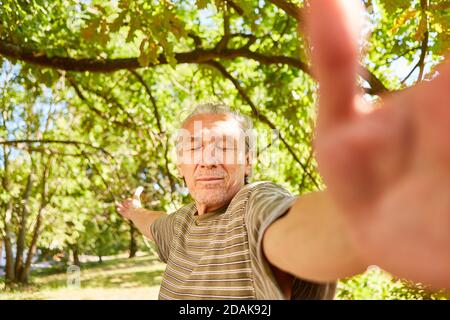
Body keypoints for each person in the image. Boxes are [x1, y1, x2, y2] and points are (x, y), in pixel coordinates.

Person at [116, 0, 450, 299]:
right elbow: (152, 222)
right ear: (180, 163)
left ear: (248, 162)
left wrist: (362, 221)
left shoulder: (252, 207)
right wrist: (132, 211)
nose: (208, 159)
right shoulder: (179, 227)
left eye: (225, 146)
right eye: (194, 147)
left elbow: (294, 231)